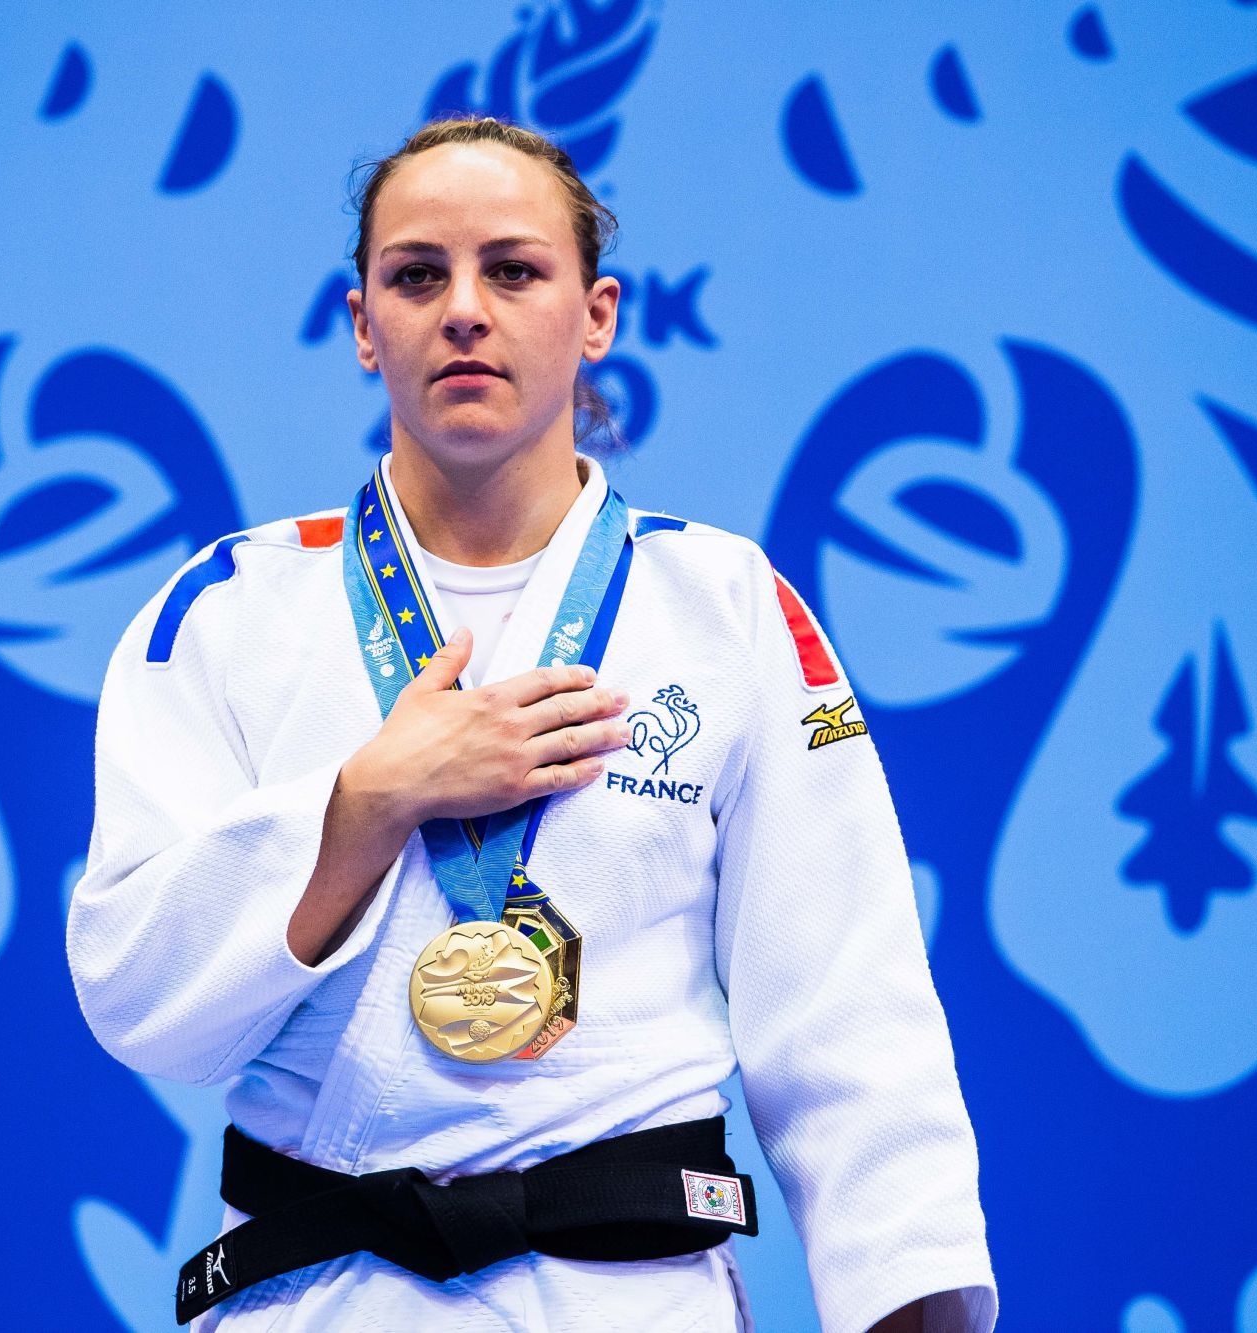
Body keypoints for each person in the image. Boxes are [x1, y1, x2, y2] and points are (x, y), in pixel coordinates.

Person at [67, 117, 995, 1332]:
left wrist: (906, 1306)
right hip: (323, 1297)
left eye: (512, 270)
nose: (463, 309)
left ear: (595, 314)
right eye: (415, 274)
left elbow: (846, 1000)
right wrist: (363, 805)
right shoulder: (227, 609)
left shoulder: (723, 608)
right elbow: (141, 1001)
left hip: (627, 1295)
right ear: (362, 324)